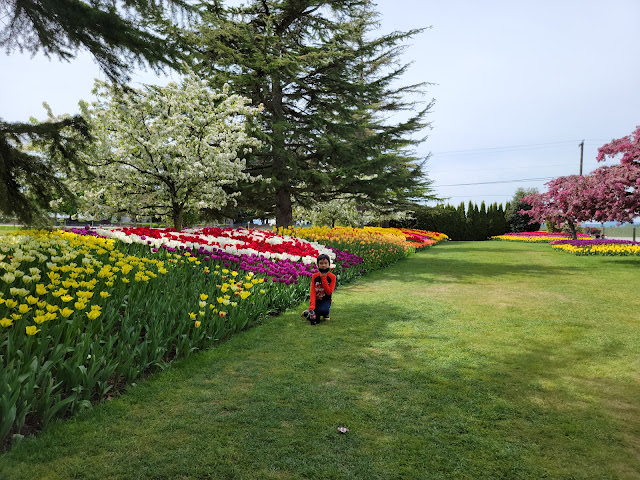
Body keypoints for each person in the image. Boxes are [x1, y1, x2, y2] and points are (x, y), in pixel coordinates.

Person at [302, 253, 336, 325]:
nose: (323, 265)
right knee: (314, 313)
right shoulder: (315, 276)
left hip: (325, 300)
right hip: (316, 300)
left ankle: (324, 313)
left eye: (325, 263)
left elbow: (329, 292)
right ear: (318, 265)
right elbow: (313, 292)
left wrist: (323, 278)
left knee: (322, 310)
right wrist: (312, 305)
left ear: (329, 264)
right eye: (321, 263)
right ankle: (311, 312)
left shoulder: (332, 277)